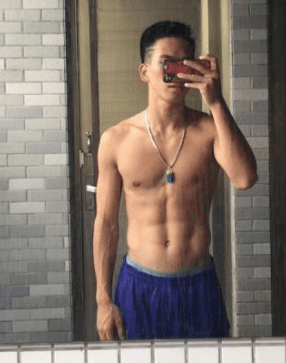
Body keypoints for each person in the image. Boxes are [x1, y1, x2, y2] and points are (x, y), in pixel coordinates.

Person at [93, 21, 258, 340]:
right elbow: (106, 223)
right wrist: (102, 300)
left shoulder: (210, 131)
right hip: (139, 285)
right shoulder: (117, 140)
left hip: (198, 284)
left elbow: (244, 178)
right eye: (167, 64)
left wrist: (215, 101)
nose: (176, 73)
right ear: (145, 72)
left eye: (184, 64)